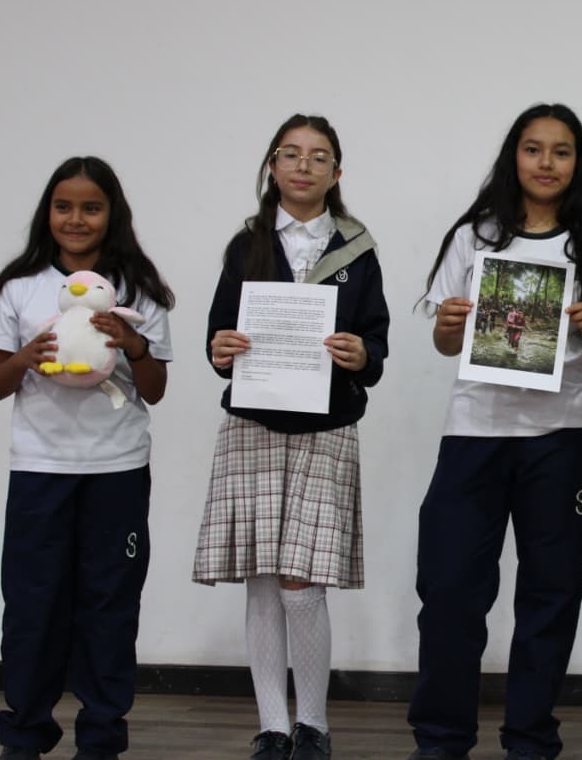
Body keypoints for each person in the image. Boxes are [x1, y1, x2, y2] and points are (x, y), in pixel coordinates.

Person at [409, 103, 582, 760]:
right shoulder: (475, 236)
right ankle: (441, 740)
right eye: (533, 149)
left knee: (550, 592)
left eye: (561, 152)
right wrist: (451, 322)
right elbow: (446, 340)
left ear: (577, 164)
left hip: (562, 435)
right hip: (475, 431)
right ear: (514, 156)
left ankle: (531, 738)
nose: (546, 163)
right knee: (449, 589)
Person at [192, 114, 390, 760]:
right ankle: (273, 727)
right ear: (272, 166)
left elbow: (378, 344)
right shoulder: (246, 244)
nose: (304, 166)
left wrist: (362, 353)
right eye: (291, 154)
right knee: (261, 579)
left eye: (319, 157)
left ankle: (315, 724)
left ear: (337, 173)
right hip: (253, 422)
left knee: (303, 583)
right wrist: (220, 348)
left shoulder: (357, 248)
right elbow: (219, 337)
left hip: (326, 428)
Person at [0, 156, 174, 760]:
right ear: (49, 212)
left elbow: (157, 388)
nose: (76, 218)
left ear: (111, 214)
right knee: (33, 602)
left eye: (91, 207)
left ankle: (101, 734)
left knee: (110, 603)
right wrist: (26, 356)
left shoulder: (139, 290)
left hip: (117, 469)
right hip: (39, 469)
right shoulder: (20, 288)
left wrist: (135, 344)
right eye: (64, 206)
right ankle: (26, 732)